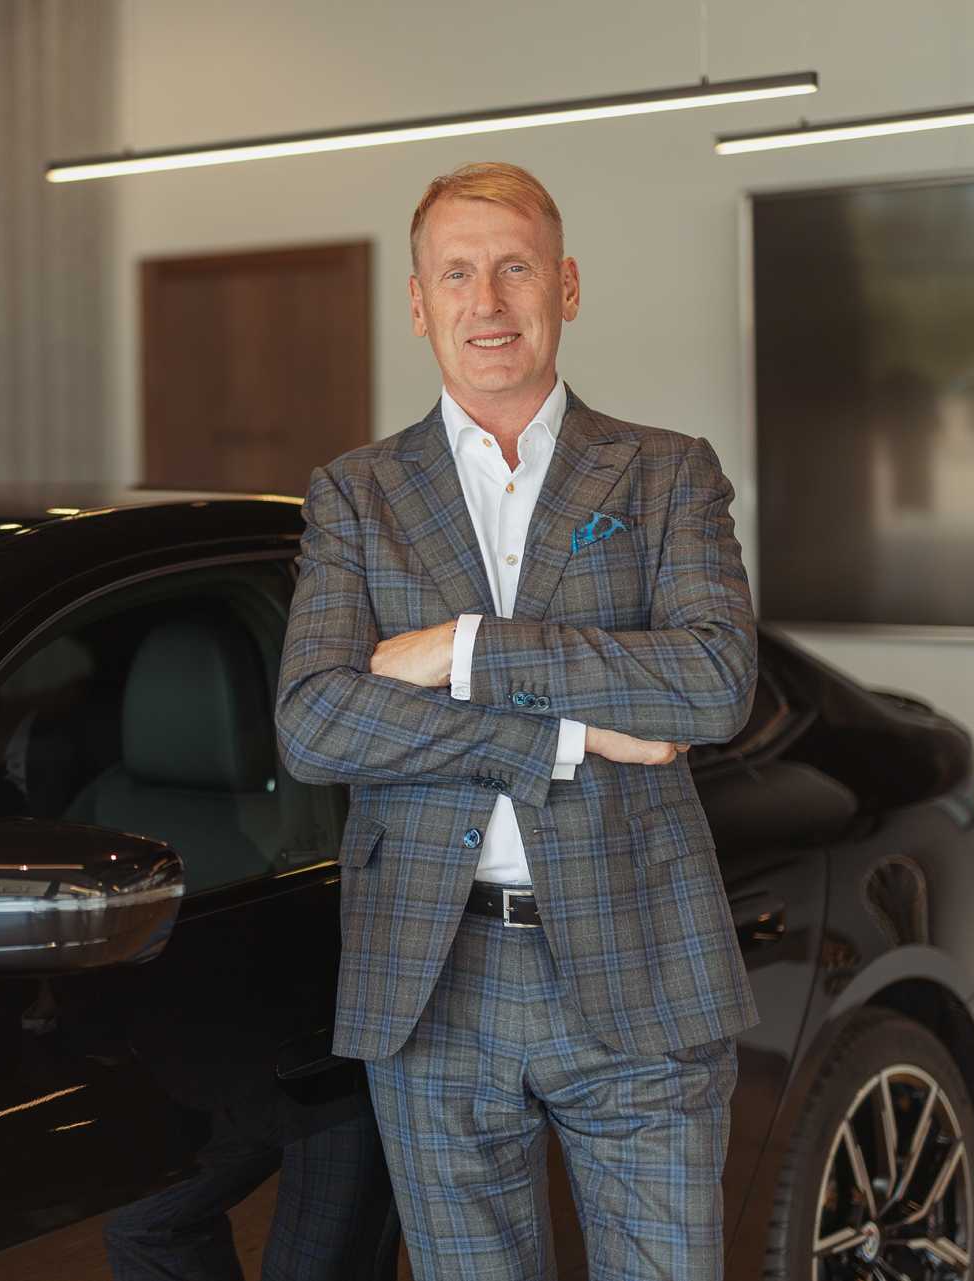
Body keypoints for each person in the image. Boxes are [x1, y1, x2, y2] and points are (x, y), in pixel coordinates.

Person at [275, 161, 760, 1280]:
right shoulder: (355, 493)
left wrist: (466, 650)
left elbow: (712, 681)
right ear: (418, 303)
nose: (486, 302)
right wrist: (563, 736)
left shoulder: (664, 474)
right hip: (433, 971)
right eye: (456, 274)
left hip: (643, 962)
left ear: (567, 286)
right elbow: (315, 723)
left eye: (515, 269)